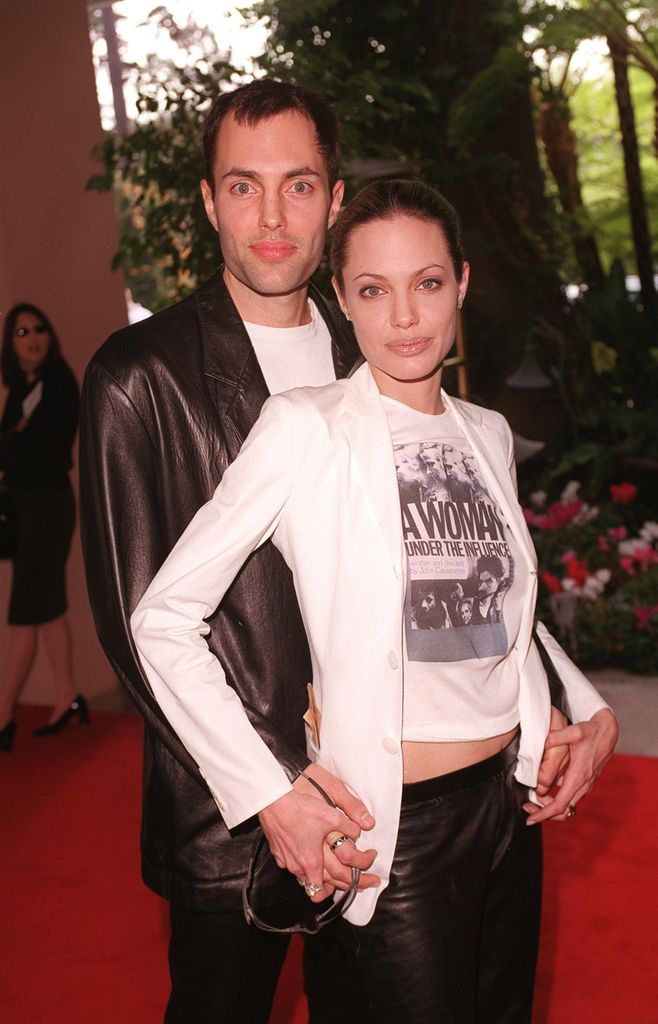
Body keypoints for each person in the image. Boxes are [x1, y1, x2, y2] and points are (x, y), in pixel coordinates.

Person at [130, 179, 618, 1023]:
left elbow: (502, 612)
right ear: (342, 302)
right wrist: (268, 794)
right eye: (372, 290)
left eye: (427, 284)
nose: (404, 317)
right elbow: (161, 618)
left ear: (460, 284)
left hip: (507, 810)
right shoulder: (305, 430)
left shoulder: (487, 434)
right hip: (401, 830)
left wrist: (587, 702)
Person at [79, 79, 377, 1024]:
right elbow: (139, 628)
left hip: (374, 790)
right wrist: (274, 797)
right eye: (244, 186)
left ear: (335, 201)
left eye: (299, 185)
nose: (272, 216)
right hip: (230, 813)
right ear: (209, 201)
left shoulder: (371, 356)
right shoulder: (138, 378)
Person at [0, 303, 84, 752]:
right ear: (10, 344)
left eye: (39, 329)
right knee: (47, 609)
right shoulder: (22, 389)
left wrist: (15, 440)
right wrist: (16, 439)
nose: (32, 337)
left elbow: (36, 449)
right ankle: (67, 693)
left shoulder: (58, 383)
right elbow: (11, 445)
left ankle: (3, 714)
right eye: (21, 331)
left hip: (48, 508)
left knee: (23, 617)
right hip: (29, 508)